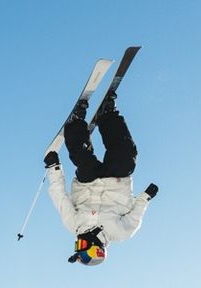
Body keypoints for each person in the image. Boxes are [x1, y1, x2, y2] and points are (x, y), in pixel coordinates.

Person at [44, 97, 157, 267]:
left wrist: (53, 168)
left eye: (77, 245)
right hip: (116, 182)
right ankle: (108, 115)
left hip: (88, 183)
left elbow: (59, 197)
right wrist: (146, 197)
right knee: (126, 158)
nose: (78, 241)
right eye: (81, 246)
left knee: (83, 159)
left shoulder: (73, 224)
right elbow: (136, 215)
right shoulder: (119, 233)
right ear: (94, 246)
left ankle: (76, 123)